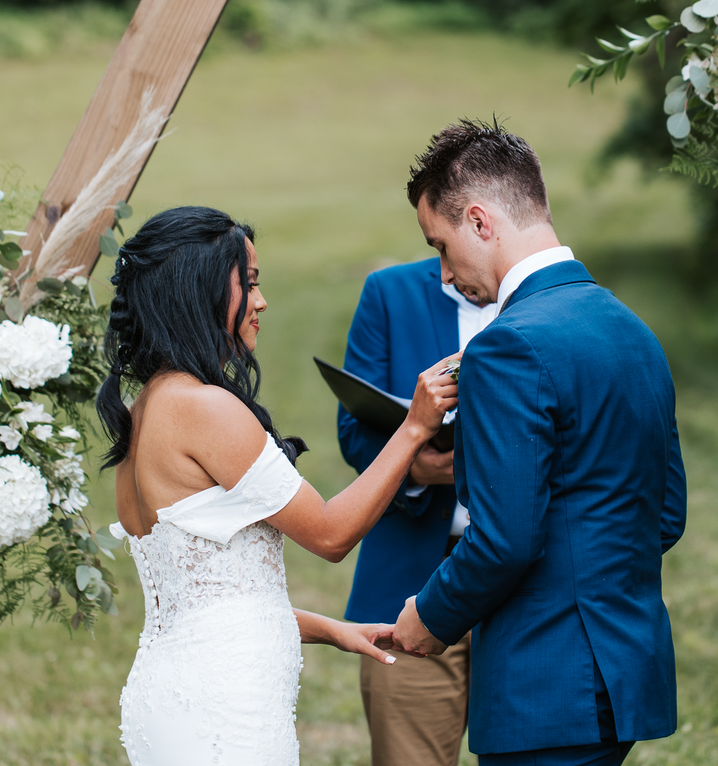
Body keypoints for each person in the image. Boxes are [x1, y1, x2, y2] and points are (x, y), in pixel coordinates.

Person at [96, 206, 460, 766]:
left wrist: (334, 631)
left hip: (174, 692)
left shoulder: (145, 410)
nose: (262, 302)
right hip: (225, 706)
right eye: (250, 284)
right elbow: (332, 536)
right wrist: (414, 428)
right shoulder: (203, 408)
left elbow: (208, 606)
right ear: (202, 293)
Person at [391, 120, 688, 766]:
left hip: (546, 686)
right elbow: (664, 515)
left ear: (479, 221)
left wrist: (431, 615)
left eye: (440, 246)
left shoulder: (505, 346)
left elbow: (506, 540)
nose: (444, 273)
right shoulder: (632, 329)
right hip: (623, 677)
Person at [338, 258, 496, 766]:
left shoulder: (548, 300)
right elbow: (354, 430)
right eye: (436, 247)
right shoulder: (389, 292)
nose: (445, 271)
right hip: (413, 580)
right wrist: (414, 467)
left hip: (528, 587)